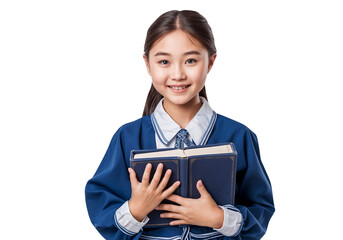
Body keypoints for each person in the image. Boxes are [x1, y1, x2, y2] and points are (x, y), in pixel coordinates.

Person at [85, 10, 275, 240]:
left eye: (191, 61)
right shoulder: (127, 137)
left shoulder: (240, 136)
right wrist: (136, 208)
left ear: (211, 61)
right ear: (147, 64)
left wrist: (218, 218)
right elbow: (102, 210)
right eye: (164, 61)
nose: (177, 74)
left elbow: (261, 210)